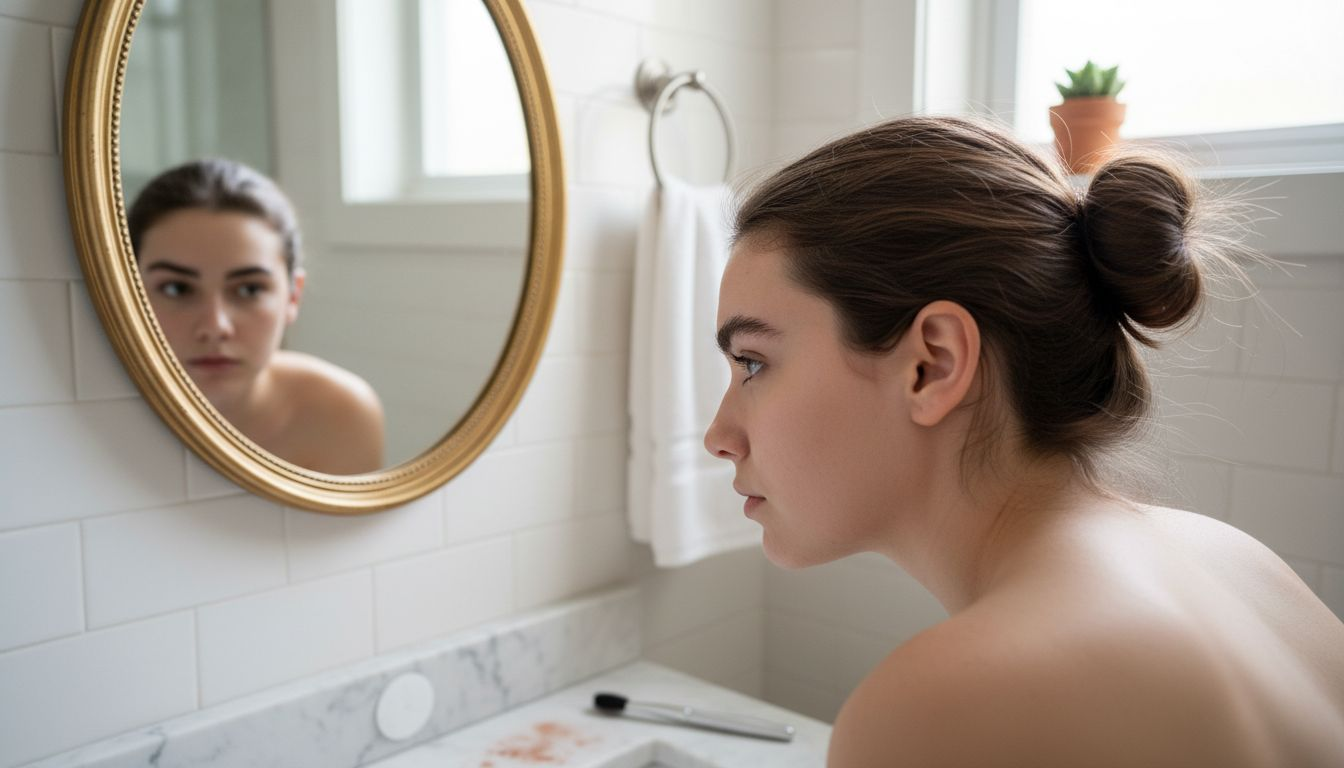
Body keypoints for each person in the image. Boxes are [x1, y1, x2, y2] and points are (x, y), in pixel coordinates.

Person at [704, 117, 1344, 766]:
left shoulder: (943, 710)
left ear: (934, 364)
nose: (717, 437)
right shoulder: (1235, 561)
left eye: (753, 363)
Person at [129, 158, 384, 475]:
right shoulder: (85, 417)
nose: (215, 326)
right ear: (127, 295)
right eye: (177, 288)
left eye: (249, 289)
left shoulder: (340, 414)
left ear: (293, 296)